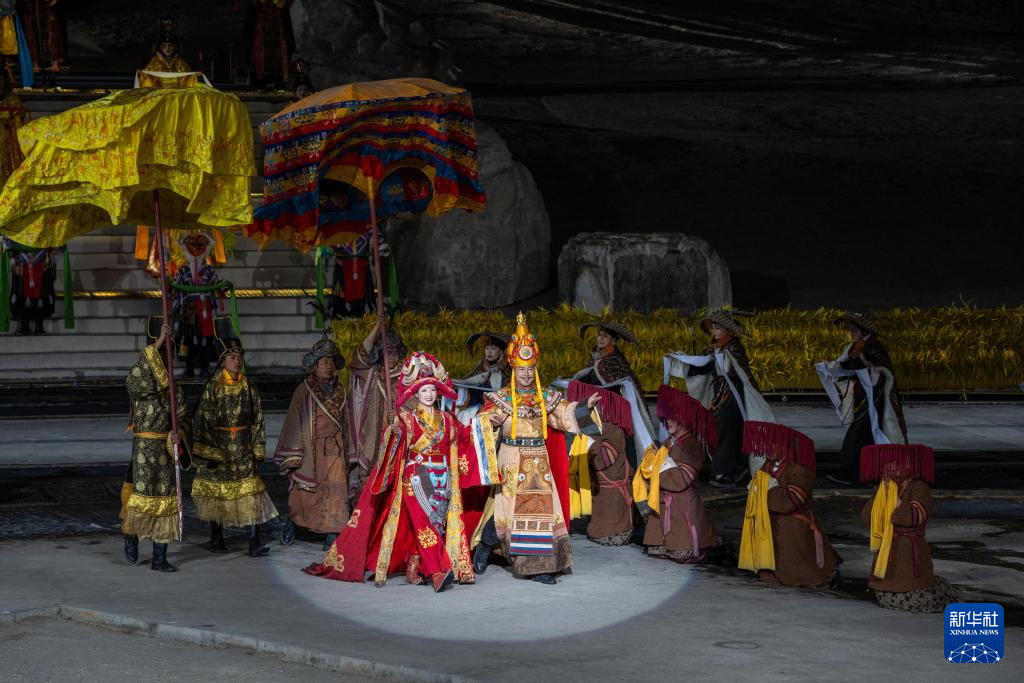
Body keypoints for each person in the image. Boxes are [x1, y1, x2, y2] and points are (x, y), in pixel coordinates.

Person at [304, 351, 494, 591]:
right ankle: (437, 572)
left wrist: (485, 421)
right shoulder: (406, 419)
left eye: (432, 389)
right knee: (425, 525)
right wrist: (394, 433)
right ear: (415, 393)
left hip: (442, 479)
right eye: (423, 390)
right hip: (416, 479)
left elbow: (464, 438)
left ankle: (413, 569)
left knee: (434, 525)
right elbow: (399, 439)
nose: (429, 394)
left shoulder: (447, 420)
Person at [470, 312, 602, 585]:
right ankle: (485, 545)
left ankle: (538, 565)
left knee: (540, 513)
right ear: (513, 369)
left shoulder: (545, 397)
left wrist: (584, 408)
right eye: (521, 369)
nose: (527, 374)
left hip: (539, 461)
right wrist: (490, 420)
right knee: (506, 511)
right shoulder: (501, 397)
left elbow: (564, 417)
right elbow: (481, 422)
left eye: (530, 369)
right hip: (511, 458)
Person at [191, 322, 277, 557]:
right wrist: (209, 452)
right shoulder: (213, 387)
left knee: (250, 493)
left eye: (239, 357)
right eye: (232, 357)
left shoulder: (248, 387)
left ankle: (254, 542)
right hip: (219, 449)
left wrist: (258, 449)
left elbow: (257, 418)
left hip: (243, 448)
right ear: (223, 361)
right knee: (218, 493)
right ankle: (216, 538)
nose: (237, 361)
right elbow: (203, 419)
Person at [665, 309, 774, 488]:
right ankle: (728, 471)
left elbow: (740, 372)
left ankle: (727, 473)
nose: (714, 331)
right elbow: (701, 367)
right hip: (720, 396)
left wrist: (723, 364)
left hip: (733, 396)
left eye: (717, 328)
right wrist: (681, 359)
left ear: (727, 329)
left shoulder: (734, 347)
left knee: (727, 432)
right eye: (712, 328)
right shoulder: (715, 349)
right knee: (722, 431)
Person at [121, 317, 190, 572]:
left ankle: (159, 557)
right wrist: (159, 340)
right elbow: (133, 379)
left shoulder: (175, 390)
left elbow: (183, 417)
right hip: (144, 450)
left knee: (166, 502)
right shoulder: (140, 386)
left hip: (165, 451)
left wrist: (180, 434)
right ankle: (131, 536)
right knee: (140, 499)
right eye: (159, 354)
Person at [739, 421, 840, 588]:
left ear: (784, 446)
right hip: (771, 522)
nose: (767, 448)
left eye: (773, 444)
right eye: (766, 443)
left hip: (793, 523)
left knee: (798, 563)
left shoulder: (801, 468)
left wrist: (768, 490)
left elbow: (790, 502)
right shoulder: (769, 464)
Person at [859, 443, 958, 612]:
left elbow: (915, 517)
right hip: (887, 549)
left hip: (909, 549)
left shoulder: (918, 487)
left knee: (915, 592)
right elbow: (866, 517)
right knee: (886, 593)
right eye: (887, 465)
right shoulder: (884, 487)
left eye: (895, 464)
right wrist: (882, 495)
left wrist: (895, 499)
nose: (890, 469)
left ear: (907, 465)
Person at [275, 335, 352, 550]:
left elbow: (347, 421)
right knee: (305, 493)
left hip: (335, 449)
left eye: (331, 362)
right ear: (315, 365)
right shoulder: (304, 389)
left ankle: (332, 532)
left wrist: (349, 448)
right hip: (311, 449)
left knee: (337, 490)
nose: (328, 366)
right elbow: (294, 420)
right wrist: (295, 453)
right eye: (324, 362)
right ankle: (293, 522)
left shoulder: (340, 390)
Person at [820, 312, 908, 486]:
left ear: (863, 331)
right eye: (850, 330)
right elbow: (851, 365)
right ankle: (864, 474)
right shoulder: (859, 345)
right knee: (864, 436)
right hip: (865, 397)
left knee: (859, 435)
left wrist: (861, 369)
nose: (851, 333)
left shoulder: (872, 347)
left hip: (874, 400)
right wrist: (832, 367)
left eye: (854, 330)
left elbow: (879, 370)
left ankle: (853, 473)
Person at [635, 386, 720, 563]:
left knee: (682, 554)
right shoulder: (669, 441)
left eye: (671, 417)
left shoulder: (692, 445)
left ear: (684, 419)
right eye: (665, 418)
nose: (666, 422)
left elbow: (681, 480)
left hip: (682, 506)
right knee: (658, 551)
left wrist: (662, 463)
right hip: (665, 504)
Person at [348, 316, 406, 485]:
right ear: (380, 354)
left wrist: (400, 415)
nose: (392, 358)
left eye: (395, 353)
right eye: (388, 353)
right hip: (374, 438)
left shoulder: (407, 375)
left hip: (398, 435)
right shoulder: (372, 374)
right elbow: (359, 357)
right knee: (370, 480)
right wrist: (377, 327)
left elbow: (415, 407)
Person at [171, 232, 221, 378]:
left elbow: (216, 286)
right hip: (188, 308)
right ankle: (189, 367)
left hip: (204, 307)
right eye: (192, 245)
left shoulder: (209, 270)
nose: (196, 249)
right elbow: (175, 288)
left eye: (200, 245)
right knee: (186, 338)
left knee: (206, 337)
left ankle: (204, 367)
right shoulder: (182, 270)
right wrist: (169, 287)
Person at [5, 238, 56, 335]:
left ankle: (39, 326)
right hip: (21, 263)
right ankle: (24, 327)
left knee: (42, 295)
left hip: (42, 261)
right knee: (21, 296)